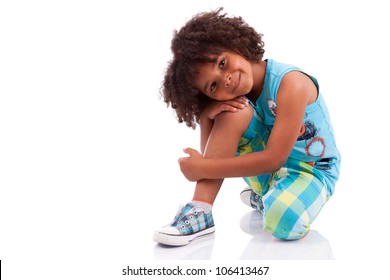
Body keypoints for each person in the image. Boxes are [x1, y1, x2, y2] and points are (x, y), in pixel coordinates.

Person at [153, 8, 341, 246]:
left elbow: (274, 159)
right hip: (269, 171)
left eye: (222, 63)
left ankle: (267, 199)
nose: (226, 79)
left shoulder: (292, 84)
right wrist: (206, 119)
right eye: (213, 86)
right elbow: (217, 155)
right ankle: (201, 210)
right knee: (233, 111)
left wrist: (202, 167)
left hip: (311, 170)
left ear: (235, 45)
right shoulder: (238, 98)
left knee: (282, 221)